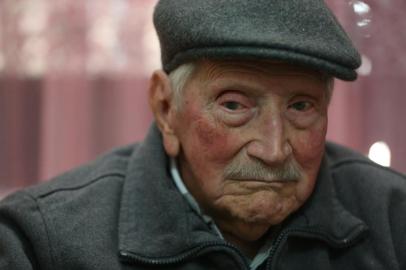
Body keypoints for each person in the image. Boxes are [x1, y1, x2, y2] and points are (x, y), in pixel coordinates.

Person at [1, 0, 405, 269]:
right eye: (233, 105)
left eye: (301, 106)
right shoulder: (40, 244)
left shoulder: (394, 218)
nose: (274, 149)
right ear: (164, 108)